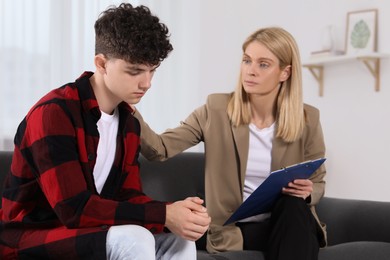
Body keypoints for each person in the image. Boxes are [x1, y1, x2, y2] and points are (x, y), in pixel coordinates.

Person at [0, 3, 210, 260]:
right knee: (136, 237)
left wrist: (179, 213)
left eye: (151, 70)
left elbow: (127, 197)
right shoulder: (54, 113)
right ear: (101, 63)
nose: (147, 83)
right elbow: (73, 209)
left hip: (88, 232)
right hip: (30, 236)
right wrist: (165, 214)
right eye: (134, 71)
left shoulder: (129, 124)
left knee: (181, 241)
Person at [133, 27, 327, 260]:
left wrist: (307, 193)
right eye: (247, 61)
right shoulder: (215, 111)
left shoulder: (308, 119)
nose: (250, 71)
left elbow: (317, 182)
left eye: (263, 64)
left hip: (285, 222)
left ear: (285, 73)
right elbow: (159, 149)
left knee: (293, 206)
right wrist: (129, 110)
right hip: (234, 229)